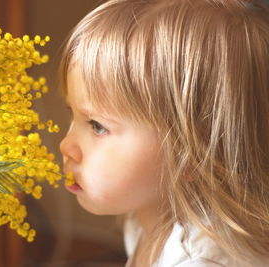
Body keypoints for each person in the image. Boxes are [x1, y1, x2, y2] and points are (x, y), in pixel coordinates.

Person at [58, 0, 269, 266]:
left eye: (97, 126)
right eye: (71, 114)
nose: (66, 145)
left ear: (192, 154)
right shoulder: (144, 215)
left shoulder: (204, 261)